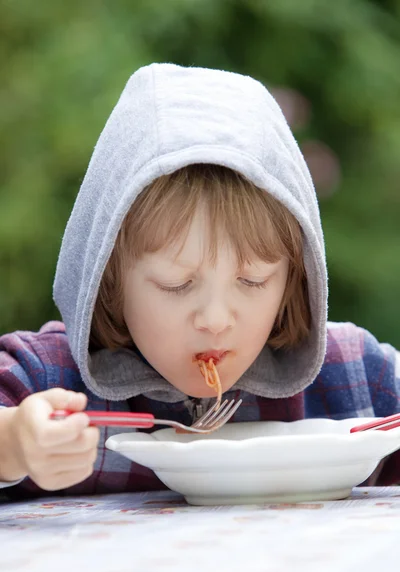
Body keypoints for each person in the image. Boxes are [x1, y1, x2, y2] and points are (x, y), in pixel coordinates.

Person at [0, 63, 399, 500]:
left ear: (294, 279)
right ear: (108, 281)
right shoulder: (47, 379)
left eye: (252, 280)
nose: (215, 319)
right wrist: (14, 443)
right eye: (176, 284)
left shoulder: (354, 378)